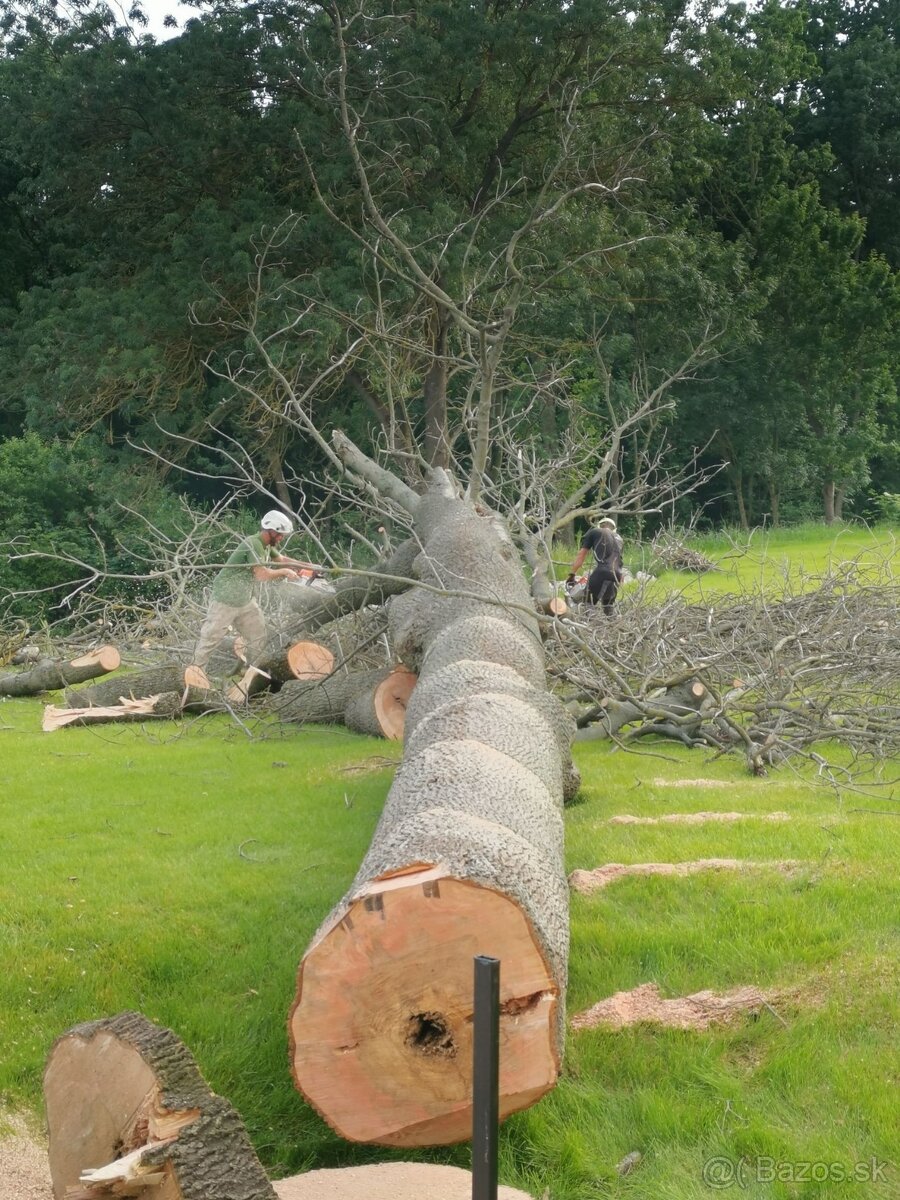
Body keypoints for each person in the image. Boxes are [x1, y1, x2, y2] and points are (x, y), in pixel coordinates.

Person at [192, 511, 316, 671]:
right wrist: (285, 572)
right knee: (211, 639)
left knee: (258, 636)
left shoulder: (266, 546)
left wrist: (308, 566)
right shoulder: (253, 543)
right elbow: (262, 575)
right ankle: (194, 675)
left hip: (244, 600)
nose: (281, 538)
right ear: (270, 530)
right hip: (226, 599)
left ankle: (252, 673)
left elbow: (282, 560)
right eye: (280, 535)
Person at [567, 516, 624, 616]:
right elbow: (619, 561)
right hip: (617, 575)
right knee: (608, 608)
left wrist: (572, 574)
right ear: (614, 529)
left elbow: (582, 555)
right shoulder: (619, 539)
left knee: (588, 603)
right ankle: (614, 628)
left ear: (599, 526)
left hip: (602, 571)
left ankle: (586, 627)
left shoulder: (595, 532)